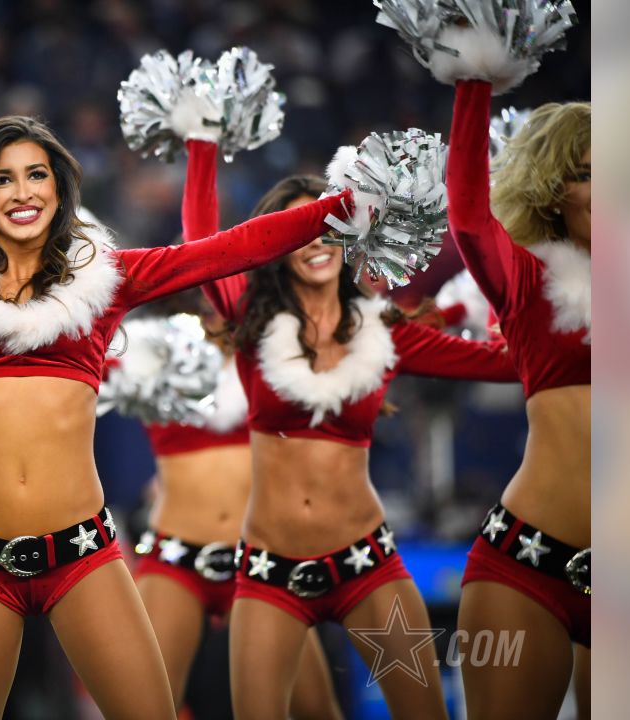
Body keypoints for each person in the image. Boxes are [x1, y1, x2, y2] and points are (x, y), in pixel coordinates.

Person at [0, 114, 354, 718]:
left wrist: (340, 206)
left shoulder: (106, 280)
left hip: (82, 558)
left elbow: (229, 250)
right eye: (3, 179)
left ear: (58, 189)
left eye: (37, 175)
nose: (23, 192)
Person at [181, 138, 517, 719]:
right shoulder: (252, 319)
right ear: (277, 247)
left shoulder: (385, 330)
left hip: (368, 567)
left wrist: (540, 320)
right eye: (299, 232)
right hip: (269, 573)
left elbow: (506, 365)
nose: (315, 243)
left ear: (351, 237)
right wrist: (201, 141)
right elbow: (201, 247)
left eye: (328, 226)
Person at [447, 78, 591, 720]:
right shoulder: (529, 280)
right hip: (526, 565)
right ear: (555, 191)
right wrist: (475, 79)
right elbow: (470, 218)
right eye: (588, 174)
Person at [129, 297, 343, 719]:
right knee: (144, 708)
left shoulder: (272, 361)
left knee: (315, 709)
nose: (209, 316)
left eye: (218, 302)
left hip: (262, 560)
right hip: (176, 560)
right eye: (198, 304)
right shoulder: (149, 361)